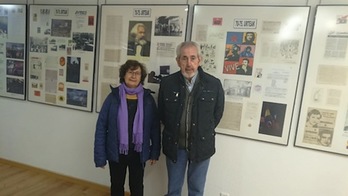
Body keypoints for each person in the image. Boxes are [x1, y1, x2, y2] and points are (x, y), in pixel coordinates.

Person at [158, 41, 225, 196]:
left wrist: (202, 130)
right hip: (176, 147)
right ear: (178, 61)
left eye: (193, 58)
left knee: (196, 190)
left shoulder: (213, 84)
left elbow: (217, 114)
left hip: (201, 147)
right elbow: (162, 113)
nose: (189, 63)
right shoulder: (167, 83)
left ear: (199, 59)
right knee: (173, 190)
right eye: (184, 58)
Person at [94, 60, 160, 196]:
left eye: (137, 73)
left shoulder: (148, 99)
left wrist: (154, 152)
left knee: (136, 186)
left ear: (142, 77)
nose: (133, 76)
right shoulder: (113, 97)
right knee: (117, 185)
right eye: (130, 72)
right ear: (123, 74)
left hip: (138, 151)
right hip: (116, 151)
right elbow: (101, 127)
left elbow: (155, 128)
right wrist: (100, 156)